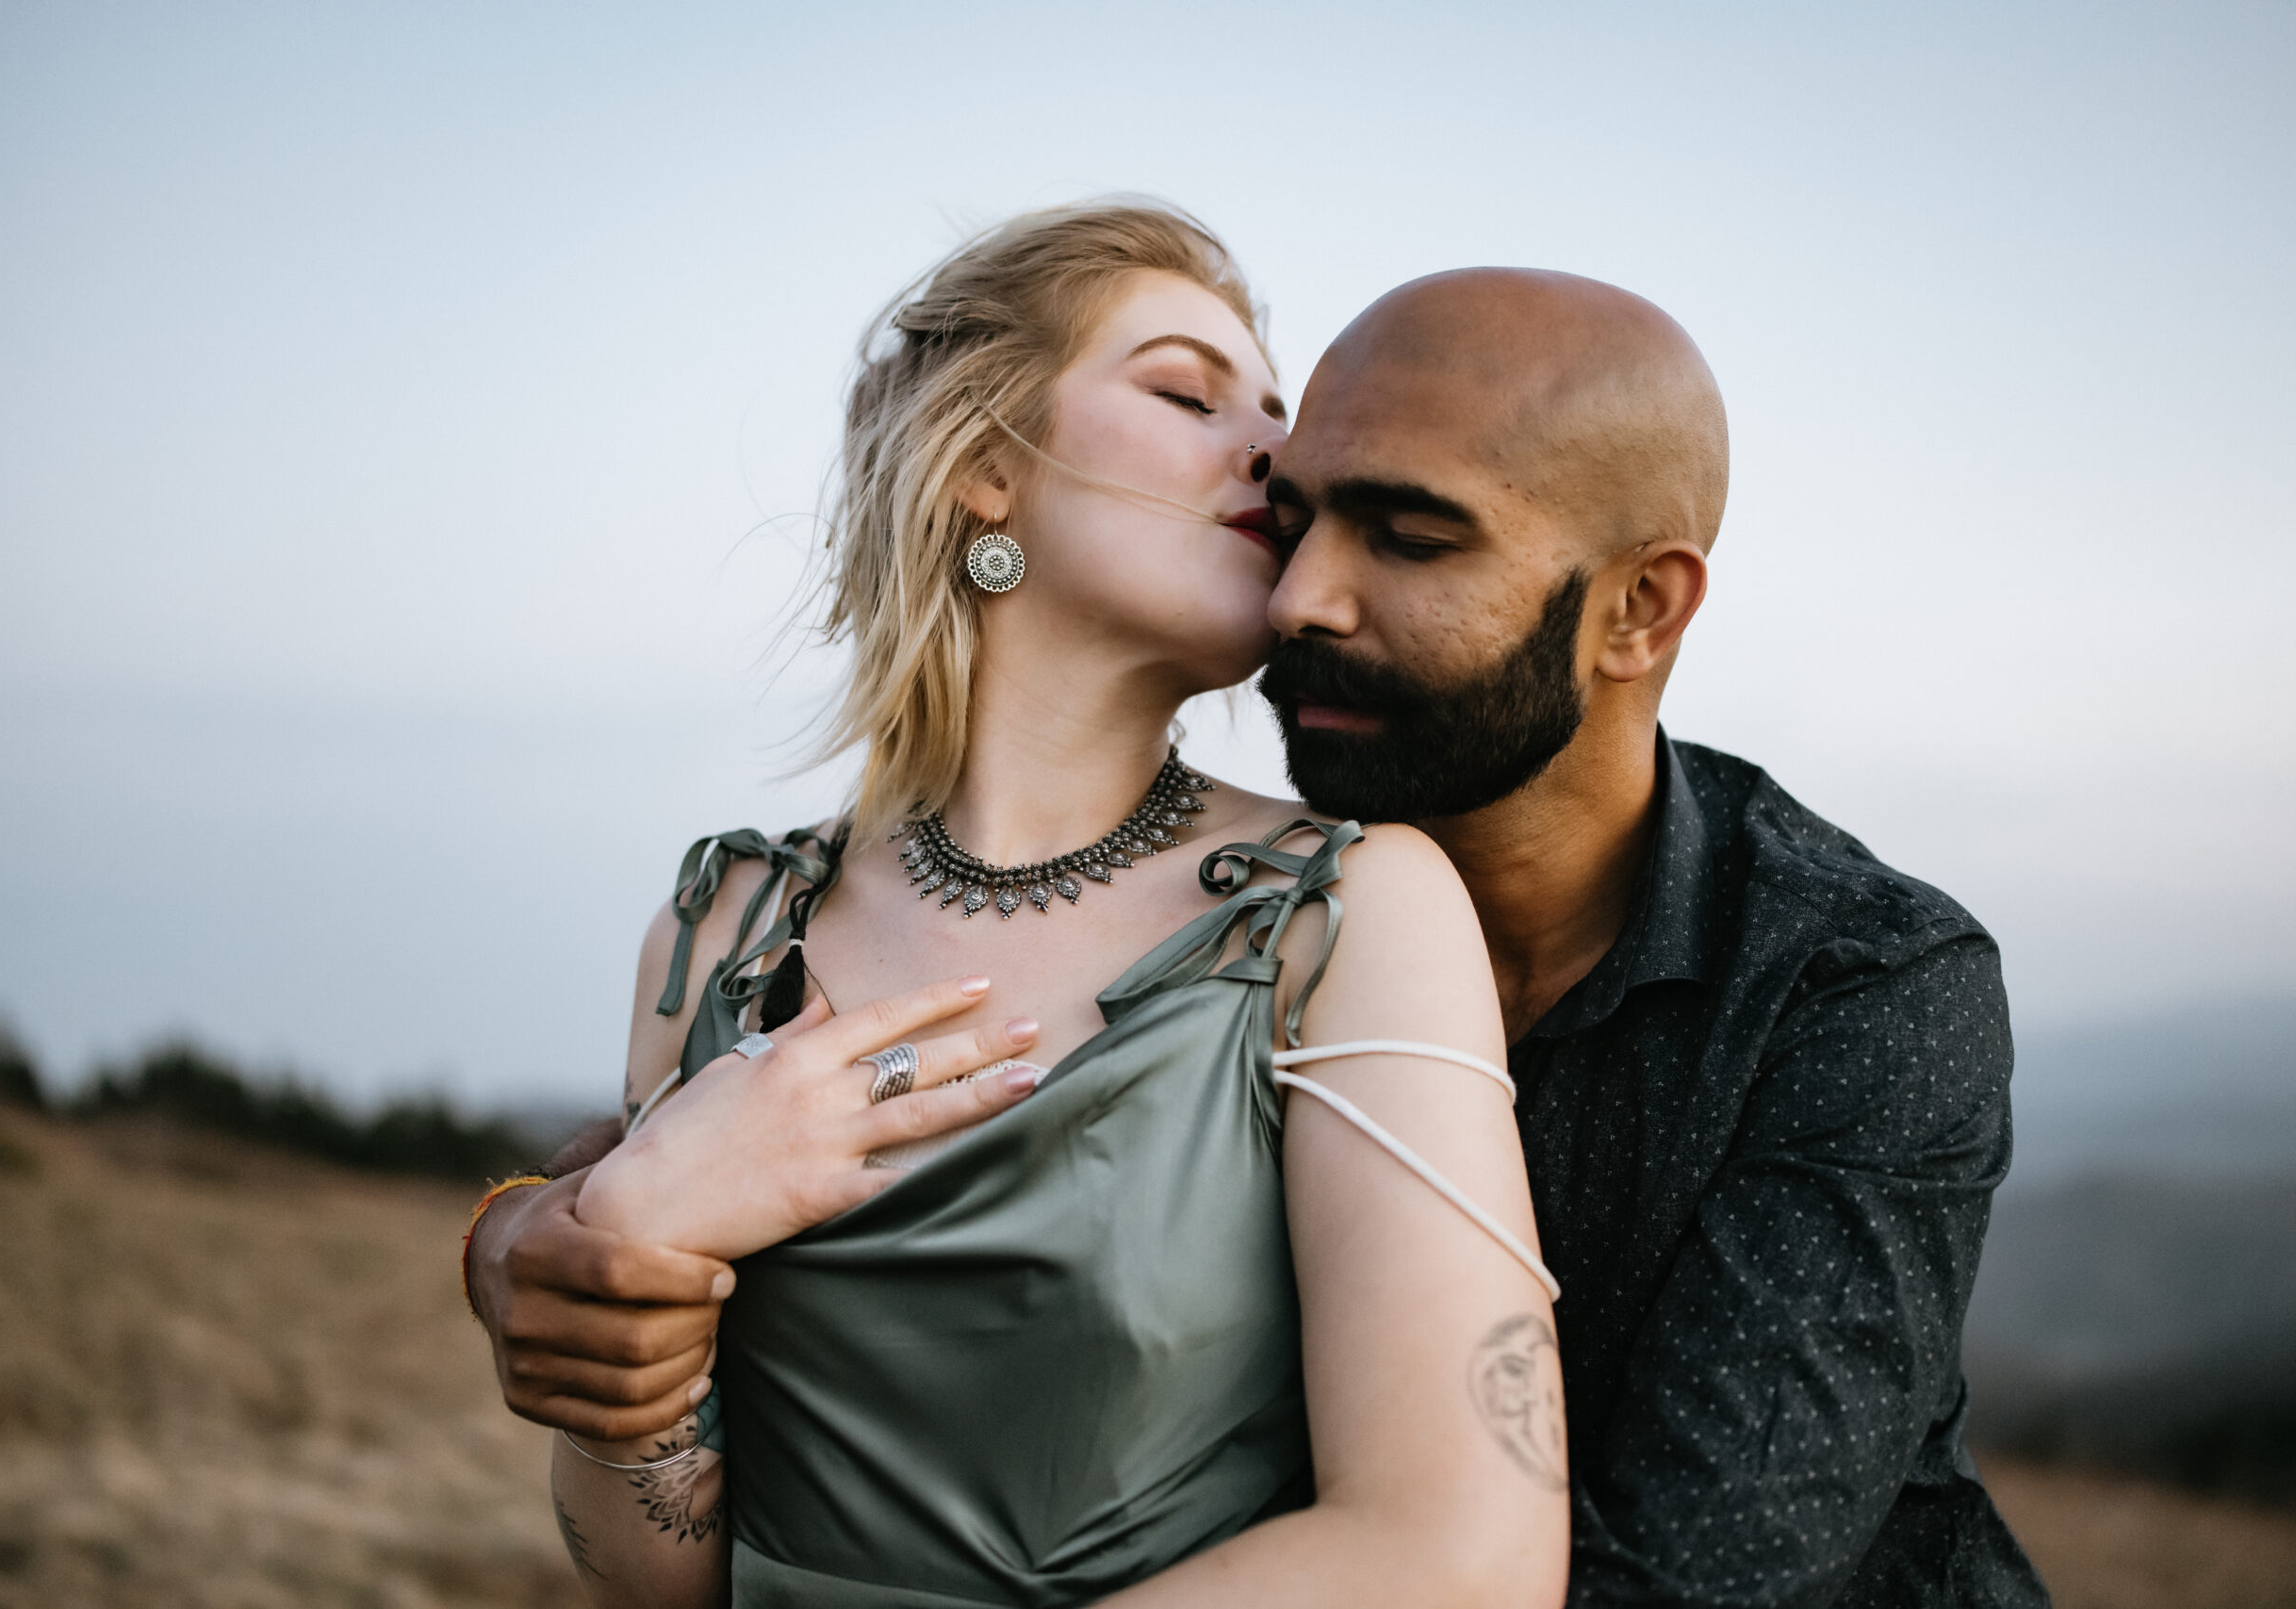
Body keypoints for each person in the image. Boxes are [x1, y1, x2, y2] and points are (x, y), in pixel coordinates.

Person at [472, 260, 2052, 1606]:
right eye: (1289, 517)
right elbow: (683, 1220)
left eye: (1410, 540)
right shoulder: (762, 916)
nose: (1302, 597)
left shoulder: (1858, 983)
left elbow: (1682, 1574)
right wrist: (556, 1241)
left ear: (1640, 610)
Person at [513, 202, 1569, 1608]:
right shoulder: (722, 930)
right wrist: (638, 1244)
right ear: (985, 468)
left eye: (1281, 417)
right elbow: (659, 1588)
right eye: (1188, 394)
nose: (1281, 456)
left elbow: (1462, 1561)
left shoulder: (1347, 913)